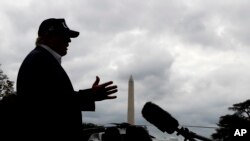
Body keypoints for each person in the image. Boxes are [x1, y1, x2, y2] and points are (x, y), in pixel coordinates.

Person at [16, 18, 118, 141]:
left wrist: (91, 95)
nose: (69, 41)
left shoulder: (42, 58)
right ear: (49, 37)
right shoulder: (40, 60)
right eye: (64, 36)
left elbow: (55, 98)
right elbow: (52, 101)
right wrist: (90, 95)